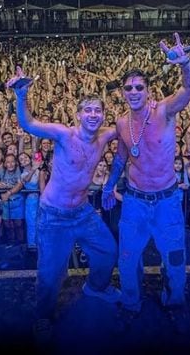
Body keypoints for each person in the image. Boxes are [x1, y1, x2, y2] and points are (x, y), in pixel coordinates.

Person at [7, 67, 121, 337]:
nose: (93, 115)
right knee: (50, 272)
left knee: (108, 251)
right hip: (54, 216)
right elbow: (28, 124)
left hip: (82, 211)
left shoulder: (105, 135)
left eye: (98, 110)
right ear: (78, 115)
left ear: (103, 115)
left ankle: (96, 286)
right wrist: (22, 95)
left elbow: (131, 124)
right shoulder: (63, 134)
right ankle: (43, 316)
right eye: (88, 110)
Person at [102, 33, 190, 314]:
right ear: (122, 92)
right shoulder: (121, 122)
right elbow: (121, 159)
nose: (133, 92)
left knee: (175, 259)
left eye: (139, 88)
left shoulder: (164, 110)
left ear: (148, 91)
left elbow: (189, 88)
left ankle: (174, 303)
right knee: (128, 259)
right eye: (129, 88)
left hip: (166, 201)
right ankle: (132, 304)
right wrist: (109, 187)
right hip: (134, 202)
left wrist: (185, 63)